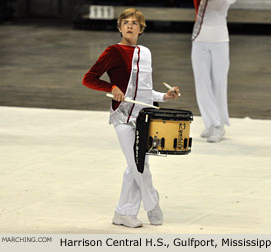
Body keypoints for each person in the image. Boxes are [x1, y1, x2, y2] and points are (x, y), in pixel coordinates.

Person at [82, 8, 180, 228]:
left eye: (134, 23)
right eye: (125, 22)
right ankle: (152, 204)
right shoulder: (113, 51)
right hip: (123, 117)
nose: (129, 26)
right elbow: (88, 79)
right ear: (119, 27)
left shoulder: (146, 52)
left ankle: (123, 213)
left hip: (144, 116)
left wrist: (164, 96)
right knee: (138, 164)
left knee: (136, 165)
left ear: (141, 29)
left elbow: (144, 91)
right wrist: (112, 87)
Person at [191, 0, 236, 142]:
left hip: (220, 41)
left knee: (219, 83)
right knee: (202, 84)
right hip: (199, 40)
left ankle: (219, 124)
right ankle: (212, 123)